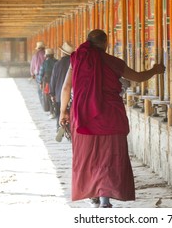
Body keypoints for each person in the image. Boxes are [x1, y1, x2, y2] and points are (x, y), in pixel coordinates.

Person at [59, 29, 165, 208]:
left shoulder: (77, 59)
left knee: (88, 156)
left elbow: (66, 88)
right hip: (110, 116)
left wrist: (63, 111)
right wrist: (155, 70)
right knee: (109, 157)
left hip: (83, 116)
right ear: (105, 43)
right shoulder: (113, 62)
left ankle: (92, 192)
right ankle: (104, 199)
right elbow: (138, 77)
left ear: (88, 41)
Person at [50, 42, 74, 130]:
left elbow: (53, 80)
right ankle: (69, 130)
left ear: (63, 52)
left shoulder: (57, 64)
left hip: (59, 94)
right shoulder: (74, 63)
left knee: (60, 113)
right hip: (72, 95)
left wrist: (52, 93)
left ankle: (59, 127)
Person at [37, 48, 57, 116]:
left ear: (46, 55)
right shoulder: (57, 62)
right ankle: (56, 110)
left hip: (47, 83)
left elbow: (40, 74)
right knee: (56, 95)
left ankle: (52, 112)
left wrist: (40, 82)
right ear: (53, 55)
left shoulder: (44, 63)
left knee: (48, 96)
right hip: (56, 82)